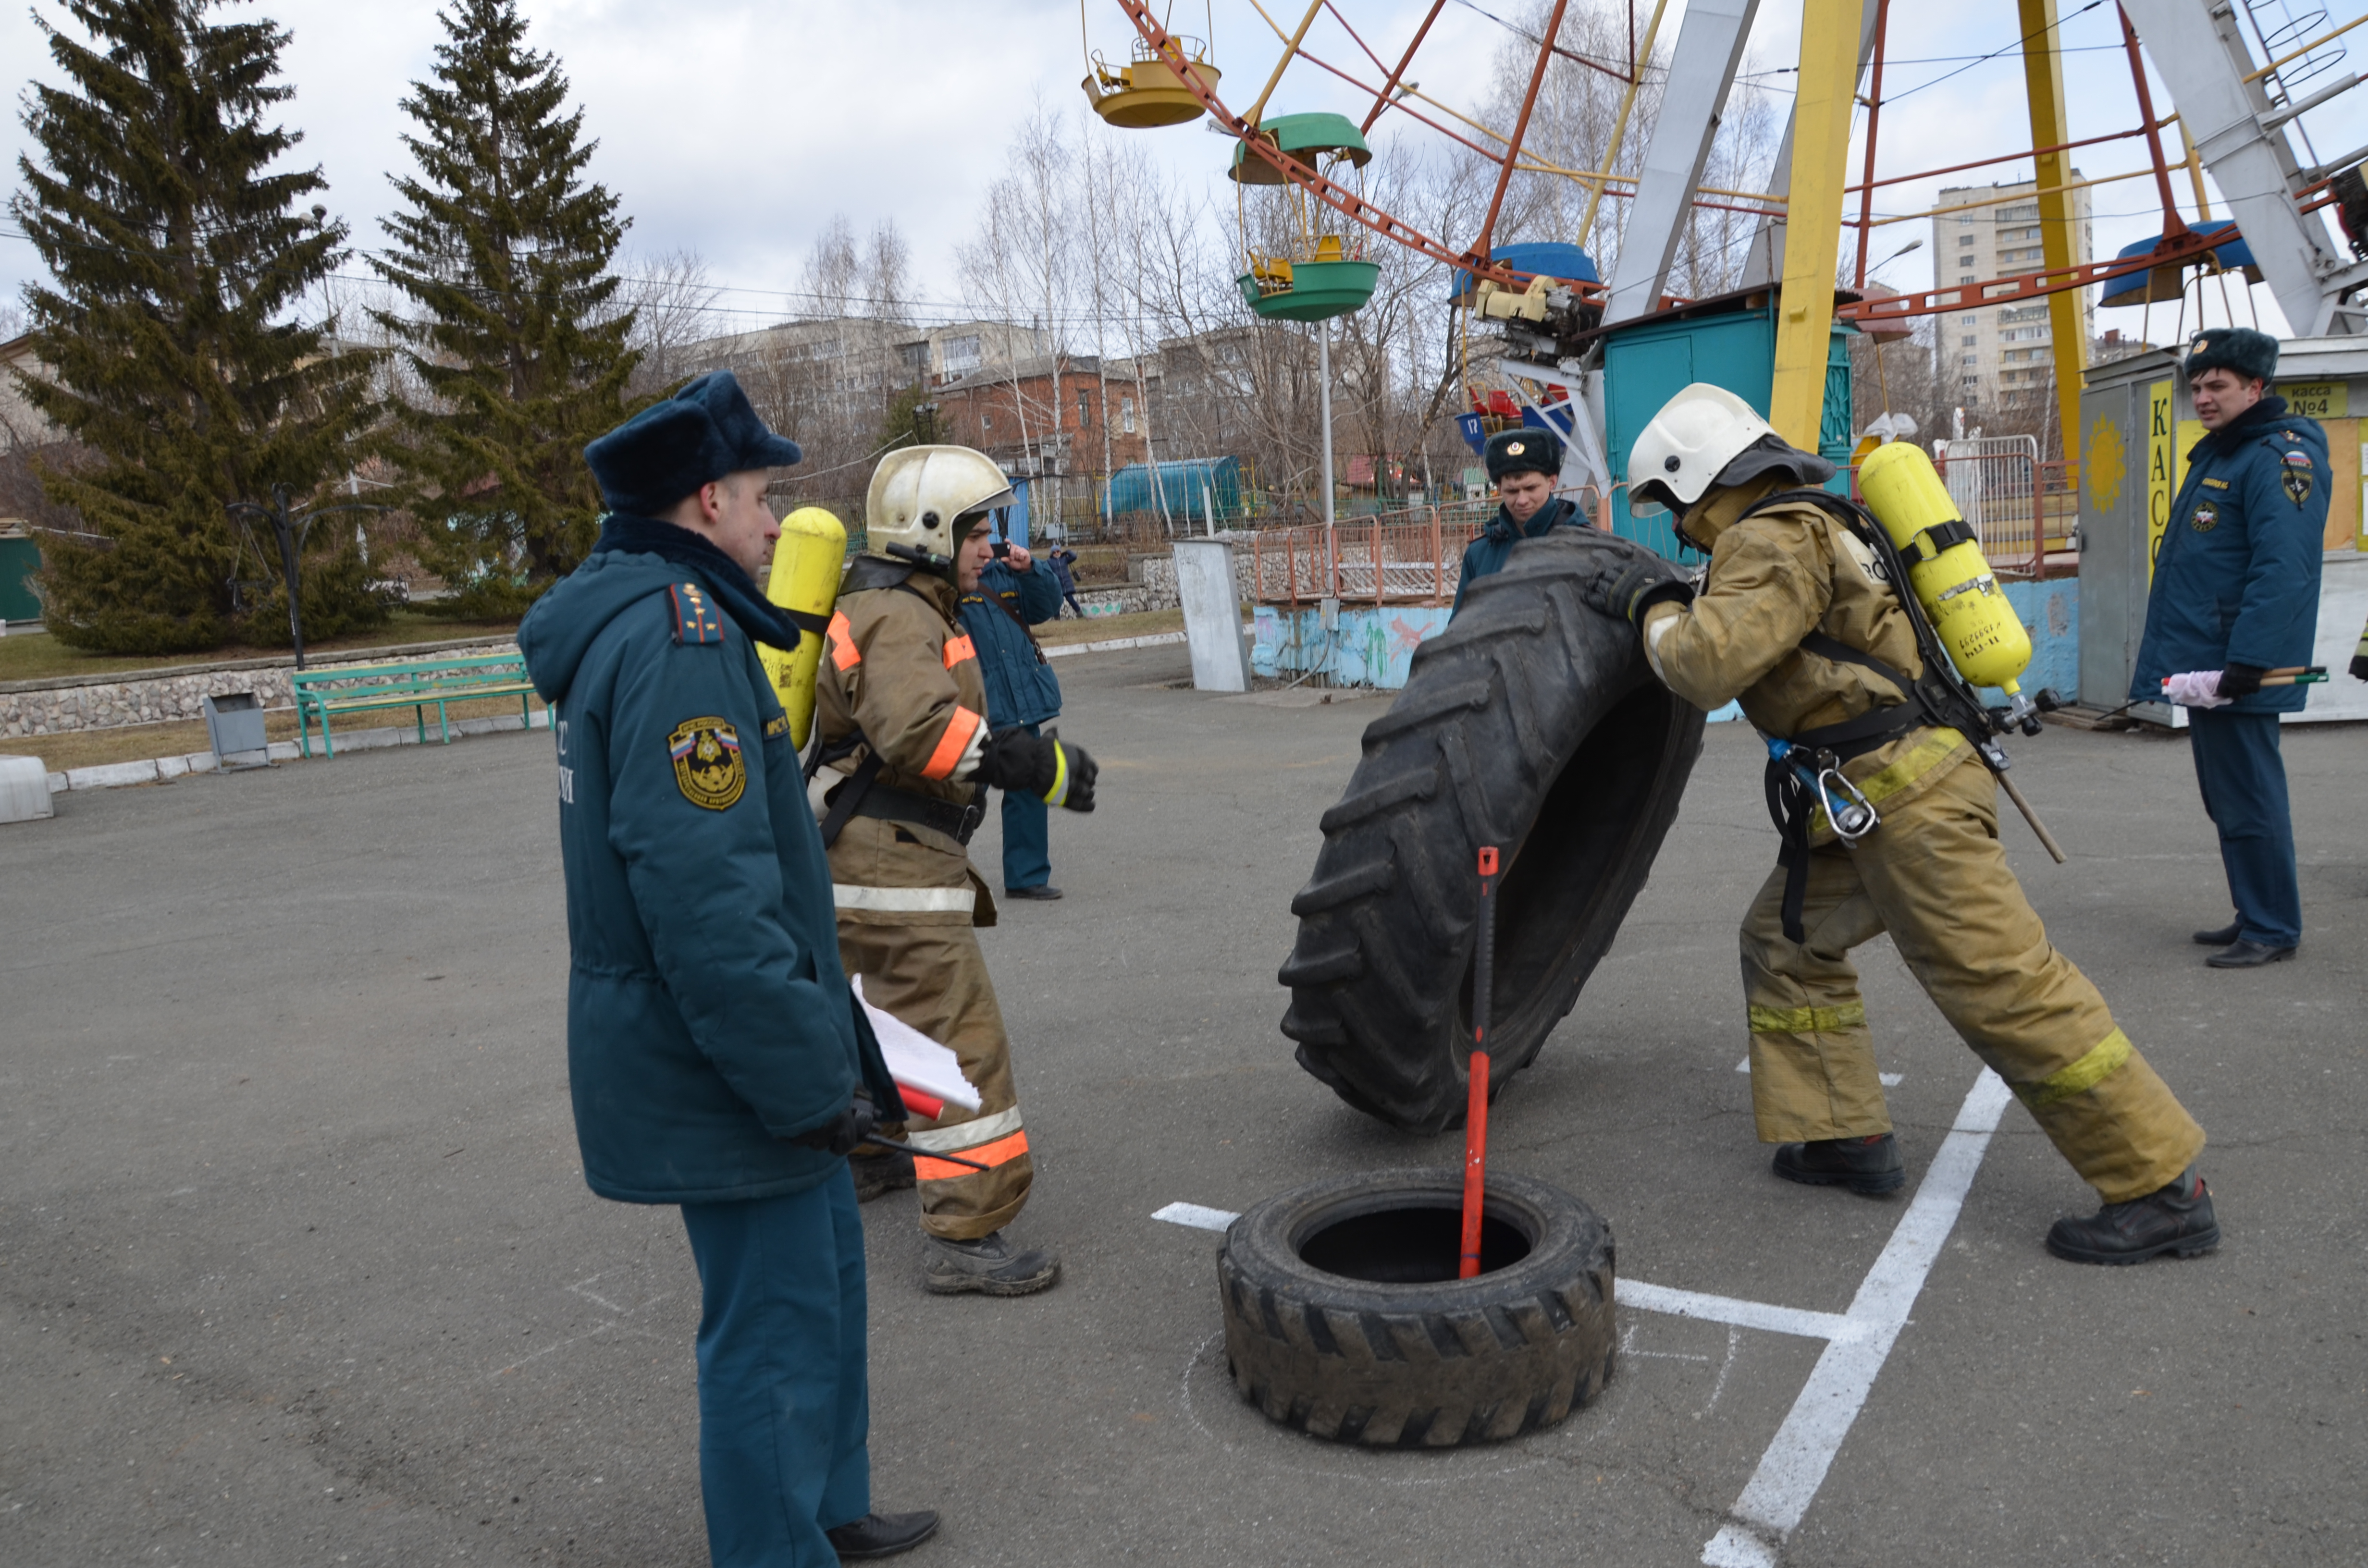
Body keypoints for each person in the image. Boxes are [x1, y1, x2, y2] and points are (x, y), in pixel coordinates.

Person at [1581, 381, 2218, 1266]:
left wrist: (1648, 604)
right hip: (1879, 790)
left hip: (1902, 795)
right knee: (1785, 942)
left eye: (1670, 504)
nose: (1673, 525)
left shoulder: (1767, 536)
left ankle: (2160, 1183)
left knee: (2000, 981)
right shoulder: (1824, 518)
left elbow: (1703, 663)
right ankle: (1841, 1133)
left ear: (1699, 481)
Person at [516, 371, 937, 1565]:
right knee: (769, 1332)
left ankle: (827, 1507)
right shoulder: (679, 640)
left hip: (742, 1042)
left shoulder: (662, 615)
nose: (771, 525)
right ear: (706, 501)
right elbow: (708, 905)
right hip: (725, 1058)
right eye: (759, 498)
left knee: (826, 1287)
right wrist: (805, 1082)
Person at [814, 444, 1098, 1295]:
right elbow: (914, 730)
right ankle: (966, 1231)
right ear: (932, 529)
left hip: (856, 857)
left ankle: (872, 1154)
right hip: (889, 865)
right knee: (956, 1042)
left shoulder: (888, 601)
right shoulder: (900, 613)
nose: (987, 544)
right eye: (976, 529)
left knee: (876, 1024)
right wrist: (1029, 762)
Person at [2132, 327, 2327, 968]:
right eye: (2197, 386)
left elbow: (2283, 568)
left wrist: (2251, 661)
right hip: (2210, 663)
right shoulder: (2223, 453)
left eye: (2216, 385)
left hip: (2238, 663)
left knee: (2251, 796)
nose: (2203, 397)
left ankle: (2272, 927)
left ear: (2255, 386)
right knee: (2229, 799)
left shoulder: (2279, 457)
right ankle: (2255, 912)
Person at [954, 528, 1069, 900]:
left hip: (1018, 703)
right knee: (960, 795)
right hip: (974, 706)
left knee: (1029, 784)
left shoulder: (1005, 571)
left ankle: (1027, 875)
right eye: (977, 537)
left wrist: (1030, 569)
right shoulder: (949, 582)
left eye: (989, 536)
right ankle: (940, 873)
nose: (987, 547)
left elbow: (1047, 607)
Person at [1451, 427, 1586, 614]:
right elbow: (1460, 631)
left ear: (1552, 482)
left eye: (1531, 488)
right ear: (1499, 488)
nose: (1522, 500)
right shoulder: (1479, 554)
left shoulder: (1585, 545)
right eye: (1512, 491)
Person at [1048, 545, 1087, 619]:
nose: (1056, 553)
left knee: (1071, 600)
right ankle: (1057, 619)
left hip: (1067, 584)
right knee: (1057, 603)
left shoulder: (1065, 559)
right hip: (1057, 586)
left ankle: (1080, 615)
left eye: (1058, 551)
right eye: (1054, 552)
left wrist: (1067, 552)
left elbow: (1074, 557)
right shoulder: (1050, 562)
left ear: (1060, 552)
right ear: (1052, 554)